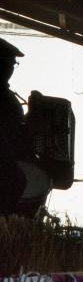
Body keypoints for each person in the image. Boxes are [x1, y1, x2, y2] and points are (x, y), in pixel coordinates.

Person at [0, 38, 32, 216]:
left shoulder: (6, 94)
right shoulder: (4, 96)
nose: (12, 68)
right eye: (11, 63)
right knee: (17, 182)